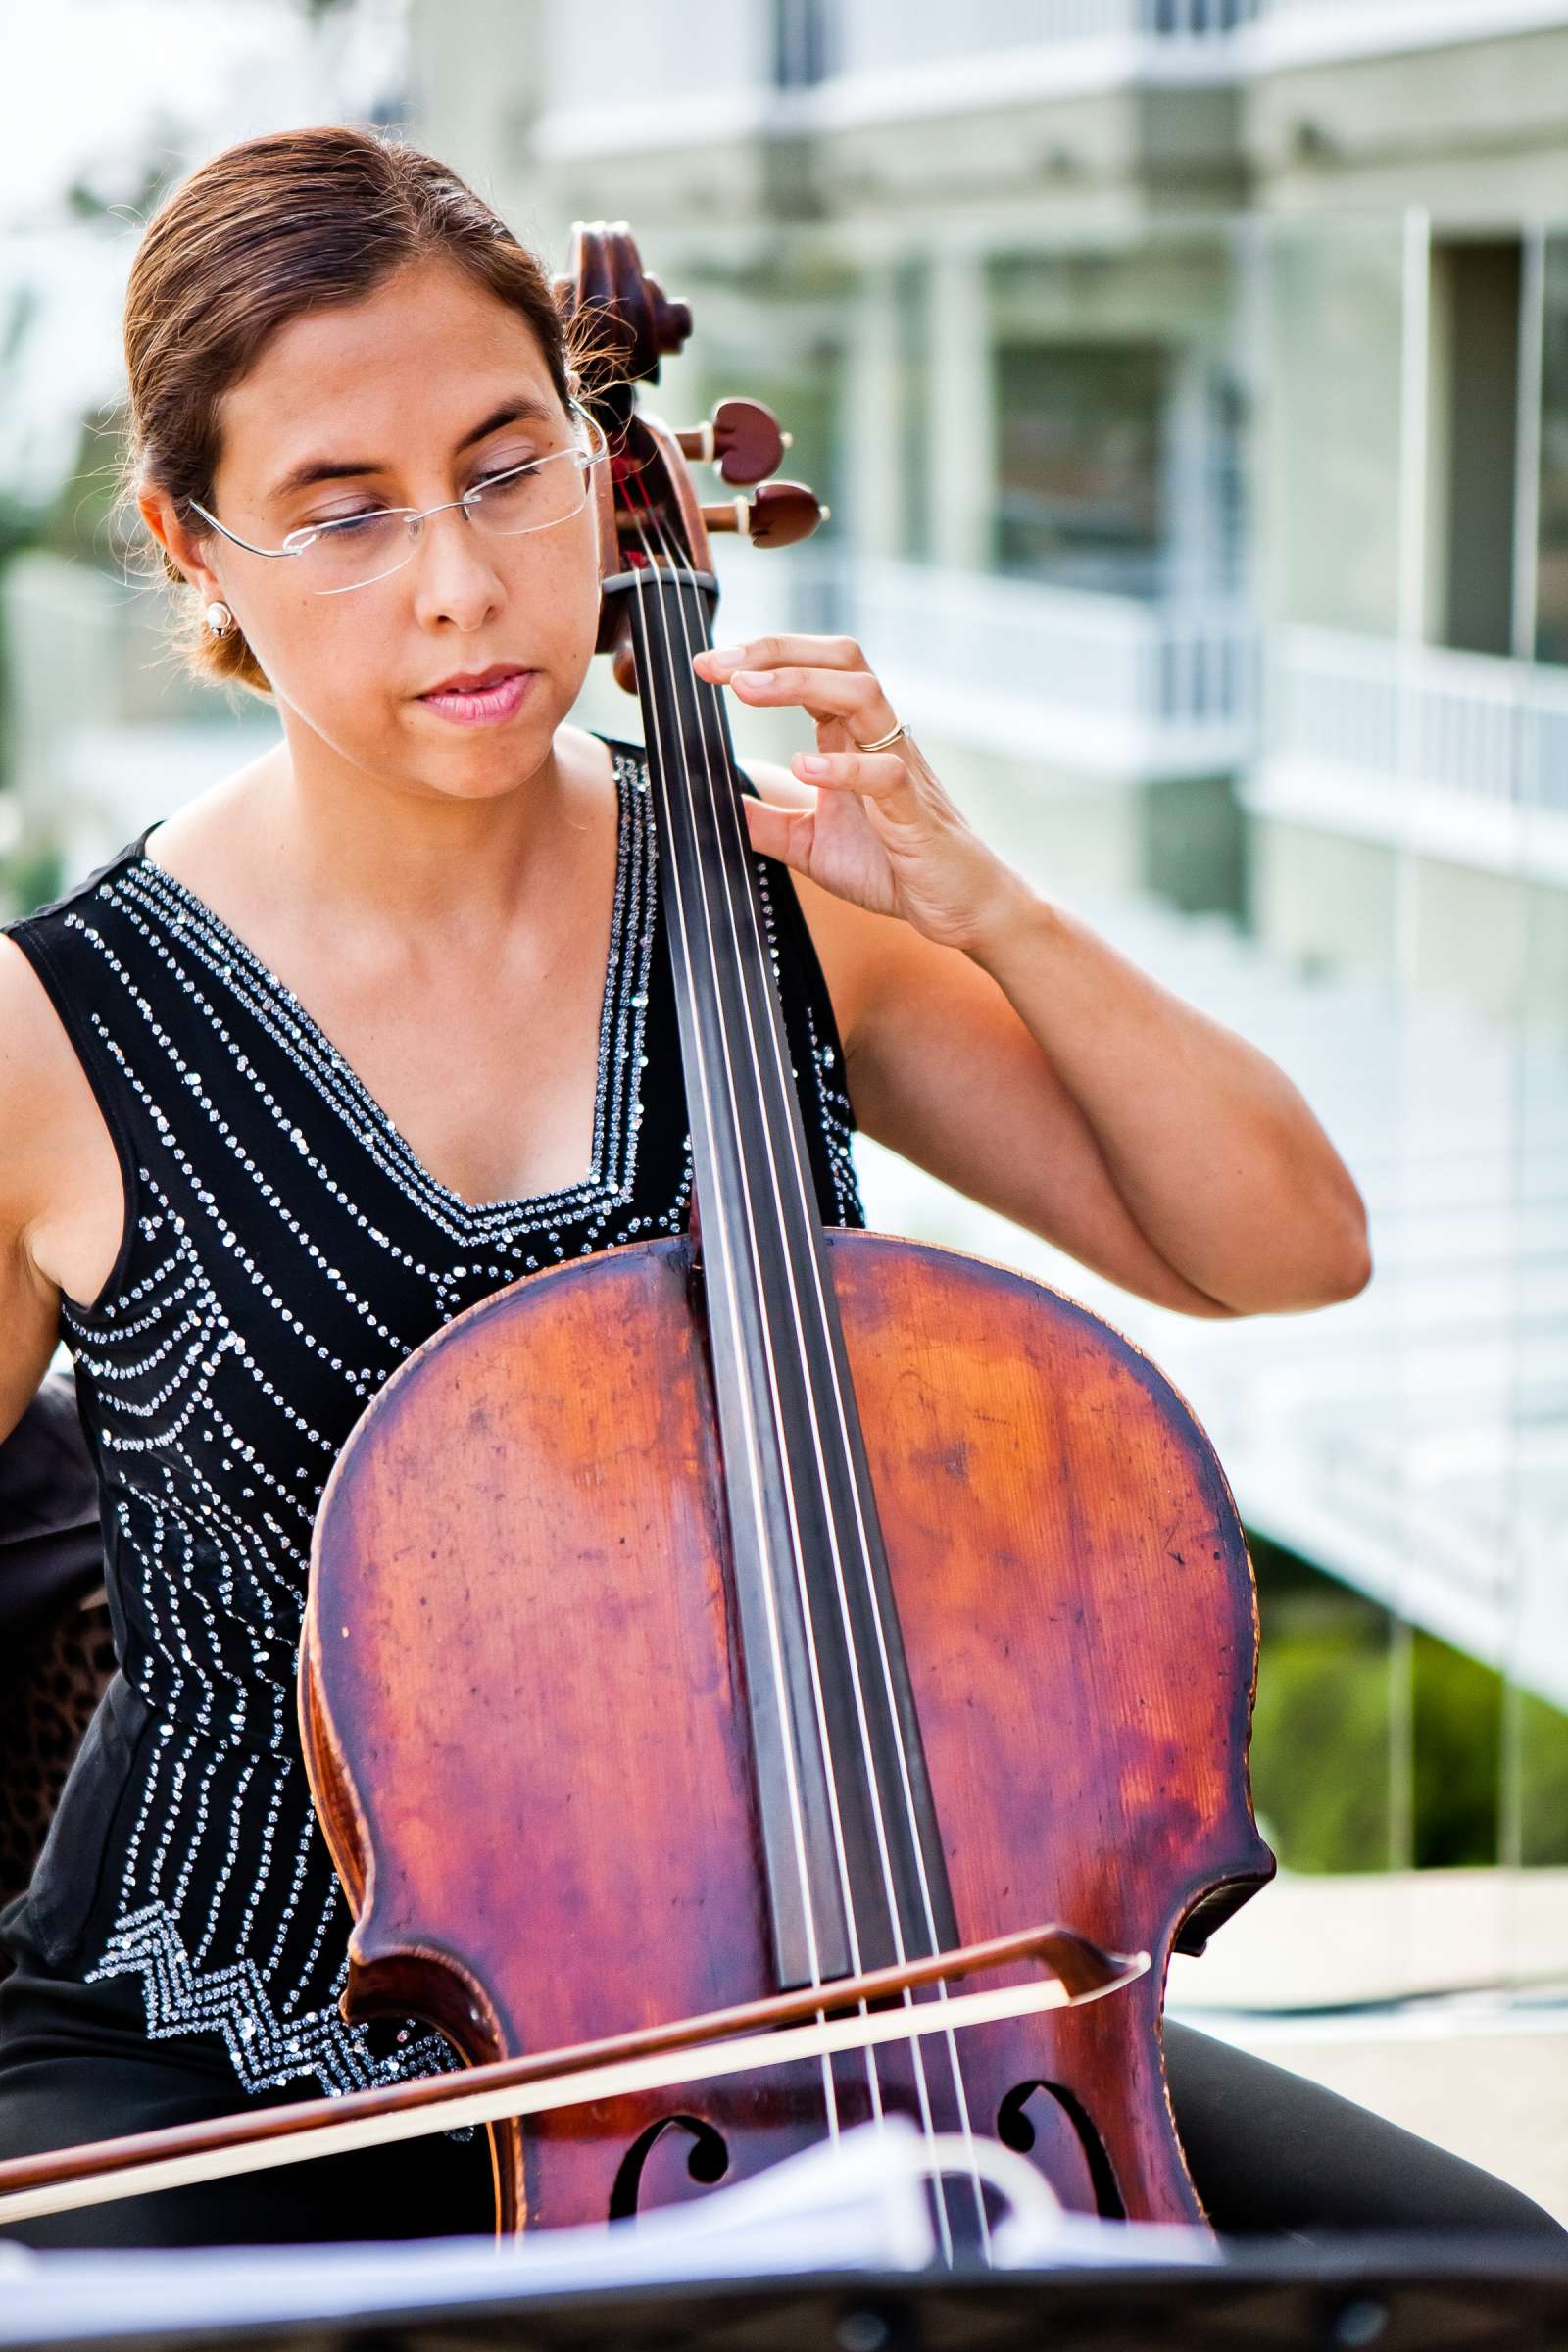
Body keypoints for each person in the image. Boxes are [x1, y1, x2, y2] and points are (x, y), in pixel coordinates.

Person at [0, 124, 1553, 2254]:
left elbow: (1282, 1245)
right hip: (230, 2048)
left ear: (588, 449)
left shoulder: (766, 898)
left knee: (1483, 2281)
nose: (457, 579)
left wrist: (984, 902)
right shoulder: (55, 1036)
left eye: (504, 465)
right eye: (338, 513)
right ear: (197, 550)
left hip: (825, 1989)